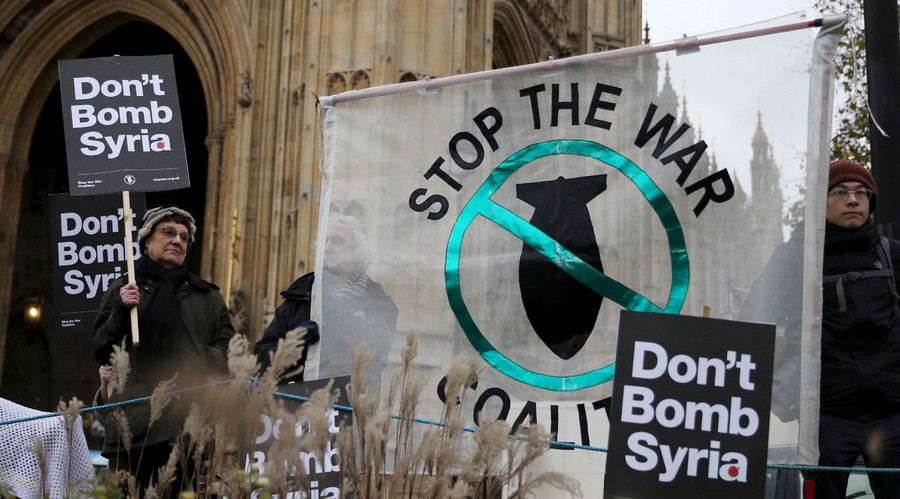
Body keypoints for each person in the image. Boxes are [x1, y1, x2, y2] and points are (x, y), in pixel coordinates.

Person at [744, 160, 900, 498]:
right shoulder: (795, 260)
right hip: (825, 419)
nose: (853, 199)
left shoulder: (891, 256)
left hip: (892, 415)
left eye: (862, 192)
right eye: (840, 192)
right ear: (820, 201)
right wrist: (782, 394)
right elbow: (754, 323)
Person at [89, 206, 235, 496]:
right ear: (146, 240)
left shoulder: (207, 297)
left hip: (188, 420)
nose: (178, 241)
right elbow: (99, 348)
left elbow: (230, 351)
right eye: (168, 232)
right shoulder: (124, 288)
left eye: (184, 237)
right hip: (132, 421)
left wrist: (202, 361)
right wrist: (120, 311)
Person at [255, 214, 398, 382]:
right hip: (298, 400)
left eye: (337, 241)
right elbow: (261, 360)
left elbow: (376, 354)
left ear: (357, 251)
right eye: (325, 241)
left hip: (350, 401)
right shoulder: (301, 295)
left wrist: (332, 308)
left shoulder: (378, 301)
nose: (327, 248)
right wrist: (293, 345)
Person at [253, 272, 320, 383]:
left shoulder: (356, 301)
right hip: (298, 394)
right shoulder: (297, 301)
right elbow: (262, 359)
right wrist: (293, 344)